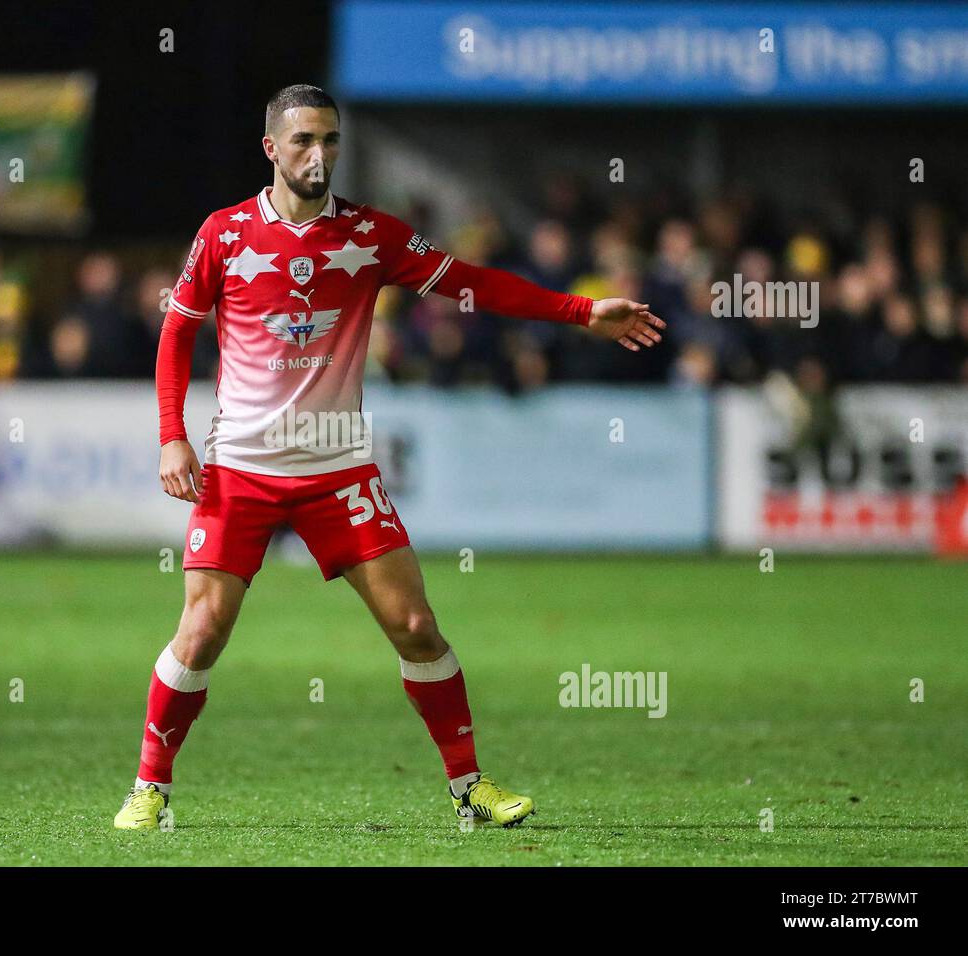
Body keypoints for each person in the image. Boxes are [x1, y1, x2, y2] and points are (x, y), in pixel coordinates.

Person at [115, 85, 665, 830]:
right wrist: (171, 434)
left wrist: (578, 311)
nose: (320, 154)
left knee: (414, 625)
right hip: (241, 468)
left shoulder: (371, 236)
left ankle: (469, 786)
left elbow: (470, 284)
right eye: (305, 140)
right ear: (272, 148)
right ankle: (151, 787)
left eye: (332, 140)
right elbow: (178, 331)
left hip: (337, 471)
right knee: (203, 628)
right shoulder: (226, 234)